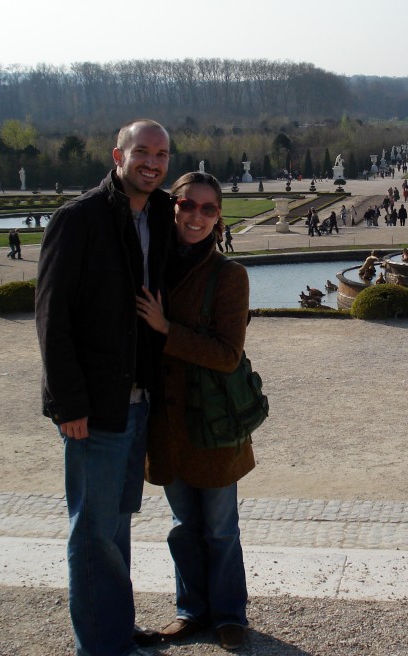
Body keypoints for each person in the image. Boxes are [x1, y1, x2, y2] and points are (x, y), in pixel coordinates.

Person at [36, 119, 173, 656]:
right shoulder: (78, 219)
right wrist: (68, 404)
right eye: (142, 152)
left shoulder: (159, 213)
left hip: (137, 401)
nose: (152, 163)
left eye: (161, 155)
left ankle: (111, 628)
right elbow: (53, 318)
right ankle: (102, 646)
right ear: (118, 156)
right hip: (94, 406)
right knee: (94, 532)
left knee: (115, 526)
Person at [136, 171, 253, 652]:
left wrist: (166, 329)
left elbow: (227, 354)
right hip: (165, 422)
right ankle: (191, 610)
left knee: (220, 529)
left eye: (208, 208)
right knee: (184, 528)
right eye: (187, 205)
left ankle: (228, 615)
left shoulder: (229, 275)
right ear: (174, 207)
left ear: (218, 217)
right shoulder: (149, 266)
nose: (196, 216)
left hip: (213, 423)